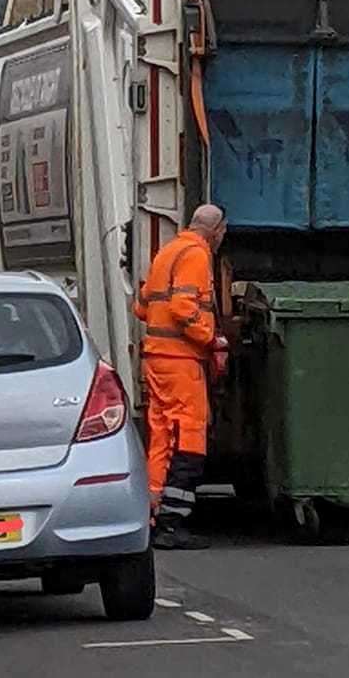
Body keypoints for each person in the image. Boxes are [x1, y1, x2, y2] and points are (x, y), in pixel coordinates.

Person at [133, 203, 228, 551]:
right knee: (187, 434)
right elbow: (183, 307)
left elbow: (143, 306)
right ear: (216, 230)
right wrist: (211, 337)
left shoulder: (168, 250)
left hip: (158, 358)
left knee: (161, 435)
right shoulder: (197, 255)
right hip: (181, 361)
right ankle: (173, 520)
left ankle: (153, 510)